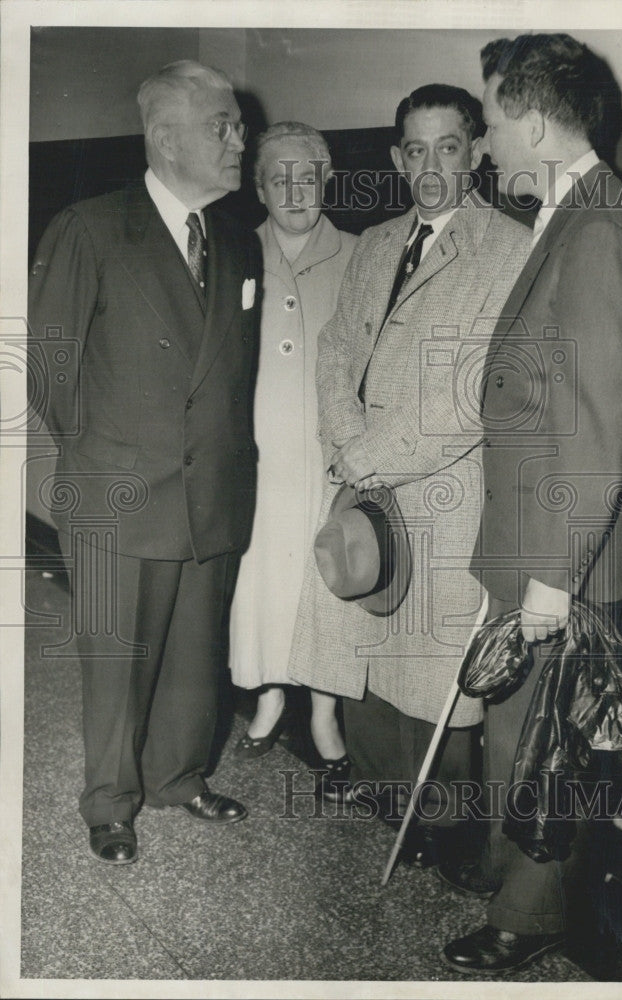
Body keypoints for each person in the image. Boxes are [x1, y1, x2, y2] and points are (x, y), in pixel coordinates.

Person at [440, 34, 622, 975]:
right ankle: (506, 867)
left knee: (549, 749)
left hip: (558, 553)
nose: (485, 141)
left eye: (489, 119)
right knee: (514, 732)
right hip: (534, 540)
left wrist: (547, 584)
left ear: (531, 119)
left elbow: (596, 429)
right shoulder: (567, 213)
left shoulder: (601, 230)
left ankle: (528, 921)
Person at [287, 84, 531, 861]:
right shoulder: (375, 241)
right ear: (397, 157)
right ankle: (378, 785)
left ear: (478, 151)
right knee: (362, 631)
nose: (430, 167)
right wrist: (347, 437)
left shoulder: (508, 249)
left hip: (438, 489)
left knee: (427, 663)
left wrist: (373, 455)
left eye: (448, 147)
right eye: (415, 150)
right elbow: (333, 352)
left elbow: (471, 390)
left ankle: (435, 824)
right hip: (363, 480)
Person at [27, 60, 261, 865]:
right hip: (121, 493)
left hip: (214, 493)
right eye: (222, 127)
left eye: (237, 125)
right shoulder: (91, 227)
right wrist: (112, 455)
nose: (241, 140)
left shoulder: (236, 240)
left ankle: (177, 775)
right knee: (117, 663)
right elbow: (49, 370)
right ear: (164, 140)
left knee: (197, 654)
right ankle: (110, 801)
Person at [228, 123, 357, 767]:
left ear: (326, 181)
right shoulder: (235, 253)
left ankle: (326, 710)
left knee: (326, 581)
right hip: (259, 455)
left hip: (331, 458)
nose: (295, 190)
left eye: (307, 176)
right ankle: (273, 696)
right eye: (280, 178)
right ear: (259, 187)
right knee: (265, 579)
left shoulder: (361, 255)